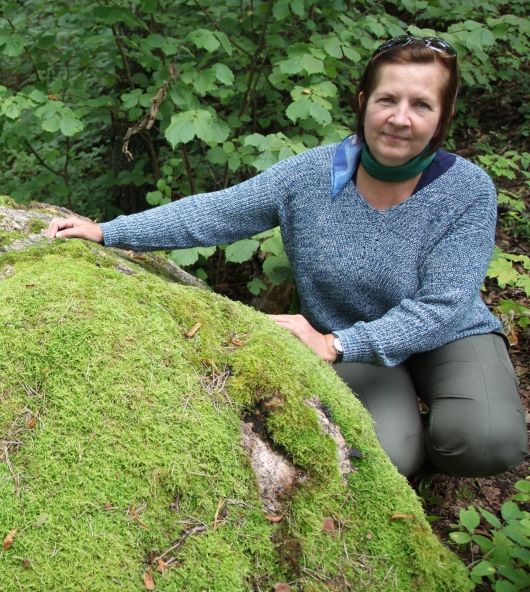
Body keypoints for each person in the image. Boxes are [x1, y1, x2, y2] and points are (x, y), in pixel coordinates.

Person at [46, 35, 527, 478]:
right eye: (387, 99)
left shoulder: (465, 189)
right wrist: (109, 231)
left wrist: (337, 348)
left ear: (442, 117)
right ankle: (408, 425)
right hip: (343, 328)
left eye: (421, 104)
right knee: (390, 458)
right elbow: (217, 211)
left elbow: (443, 305)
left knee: (485, 442)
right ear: (364, 103)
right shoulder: (313, 175)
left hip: (442, 336)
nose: (400, 118)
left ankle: (446, 425)